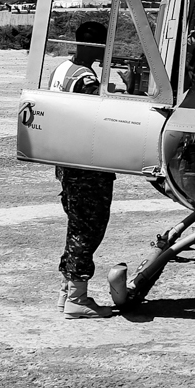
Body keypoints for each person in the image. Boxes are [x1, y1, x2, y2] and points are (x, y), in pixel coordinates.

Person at [49, 20, 127, 318]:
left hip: (66, 159)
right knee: (87, 229)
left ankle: (67, 291)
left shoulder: (61, 70)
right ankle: (77, 299)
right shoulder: (85, 78)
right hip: (86, 164)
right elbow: (104, 114)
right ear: (98, 46)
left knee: (77, 226)